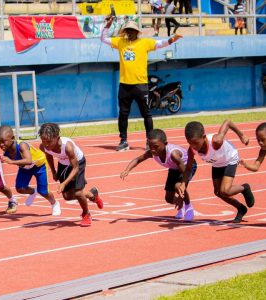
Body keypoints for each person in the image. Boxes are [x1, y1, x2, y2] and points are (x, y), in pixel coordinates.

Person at [101, 18, 182, 151]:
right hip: (124, 85)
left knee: (146, 114)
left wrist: (172, 40)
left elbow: (160, 43)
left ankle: (150, 141)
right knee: (123, 114)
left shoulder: (144, 43)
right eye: (128, 30)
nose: (130, 33)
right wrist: (107, 26)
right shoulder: (120, 42)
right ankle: (124, 141)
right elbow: (103, 39)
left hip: (140, 85)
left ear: (137, 32)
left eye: (133, 31)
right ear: (125, 32)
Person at [179, 120, 255, 223]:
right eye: (190, 143)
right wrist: (183, 184)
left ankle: (244, 188)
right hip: (217, 163)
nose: (194, 146)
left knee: (225, 190)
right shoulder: (192, 150)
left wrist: (241, 135)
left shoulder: (216, 141)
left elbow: (227, 122)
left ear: (204, 136)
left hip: (230, 158)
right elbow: (188, 168)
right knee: (218, 192)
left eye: (196, 143)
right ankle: (241, 208)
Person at [120, 129, 197, 221]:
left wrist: (181, 196)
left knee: (178, 186)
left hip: (187, 166)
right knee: (168, 198)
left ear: (165, 143)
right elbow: (138, 159)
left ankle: (189, 208)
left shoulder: (174, 154)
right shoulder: (152, 153)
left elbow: (185, 173)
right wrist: (127, 170)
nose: (152, 149)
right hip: (174, 168)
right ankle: (182, 206)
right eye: (149, 146)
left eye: (156, 146)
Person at [38, 123, 104, 227]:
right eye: (43, 141)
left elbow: (76, 168)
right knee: (67, 196)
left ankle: (86, 214)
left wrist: (64, 183)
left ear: (57, 138)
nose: (46, 144)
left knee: (77, 193)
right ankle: (92, 195)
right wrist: (54, 171)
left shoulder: (67, 147)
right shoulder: (43, 147)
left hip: (78, 163)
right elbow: (48, 155)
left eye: (49, 142)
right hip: (63, 164)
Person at [0, 125, 61, 216]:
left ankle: (54, 203)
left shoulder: (22, 145)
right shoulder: (6, 151)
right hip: (25, 168)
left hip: (39, 166)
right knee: (20, 188)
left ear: (13, 138)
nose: (1, 144)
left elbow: (28, 160)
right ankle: (33, 191)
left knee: (43, 191)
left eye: (4, 141)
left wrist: (11, 161)